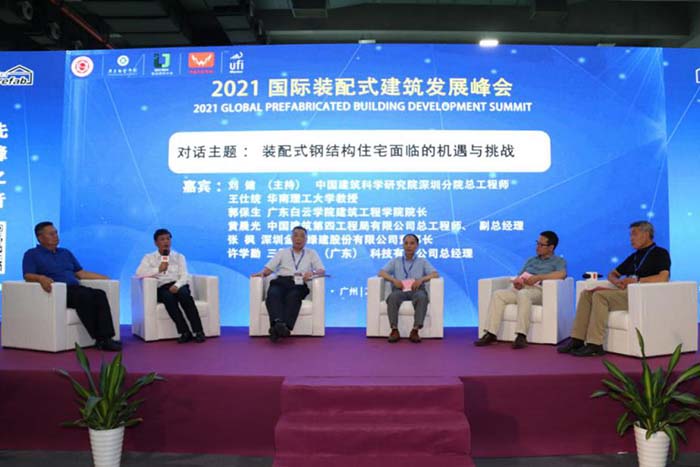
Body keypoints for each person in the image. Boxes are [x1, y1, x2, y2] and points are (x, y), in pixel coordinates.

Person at [558, 221, 671, 357]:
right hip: (626, 292)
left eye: (634, 234)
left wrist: (638, 280)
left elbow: (663, 277)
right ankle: (577, 339)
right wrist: (617, 282)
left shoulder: (660, 253)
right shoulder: (635, 256)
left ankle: (595, 345)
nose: (631, 238)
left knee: (599, 296)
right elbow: (612, 274)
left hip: (643, 295)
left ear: (646, 234)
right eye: (630, 235)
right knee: (587, 294)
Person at [22, 221, 121, 351]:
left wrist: (106, 278)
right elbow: (27, 275)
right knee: (84, 297)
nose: (56, 236)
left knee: (99, 294)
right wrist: (40, 278)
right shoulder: (31, 254)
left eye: (56, 233)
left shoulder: (65, 253)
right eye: (51, 234)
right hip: (57, 291)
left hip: (75, 289)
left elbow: (80, 273)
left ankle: (107, 338)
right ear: (40, 238)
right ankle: (101, 339)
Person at [475, 231, 567, 349]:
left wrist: (538, 277)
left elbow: (562, 274)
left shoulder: (558, 261)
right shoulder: (531, 260)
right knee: (498, 294)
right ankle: (491, 334)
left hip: (539, 291)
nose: (537, 247)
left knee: (524, 294)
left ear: (551, 247)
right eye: (537, 243)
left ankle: (521, 335)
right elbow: (520, 275)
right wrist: (518, 282)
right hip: (522, 288)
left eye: (541, 245)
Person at [251, 226, 325, 342]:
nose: (298, 238)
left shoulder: (311, 253)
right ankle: (281, 326)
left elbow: (321, 270)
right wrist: (261, 274)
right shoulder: (282, 252)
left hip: (299, 284)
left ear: (306, 239)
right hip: (281, 281)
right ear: (291, 238)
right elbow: (269, 268)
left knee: (293, 296)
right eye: (295, 235)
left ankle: (278, 327)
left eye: (302, 236)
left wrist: (312, 273)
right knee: (273, 294)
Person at [136, 228, 206, 343]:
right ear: (156, 243)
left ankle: (198, 331)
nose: (166, 242)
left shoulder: (179, 257)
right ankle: (184, 332)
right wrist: (158, 269)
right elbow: (139, 273)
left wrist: (177, 285)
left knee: (185, 296)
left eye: (168, 239)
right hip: (162, 287)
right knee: (168, 298)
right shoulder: (149, 258)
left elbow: (184, 275)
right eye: (162, 239)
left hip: (179, 284)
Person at [378, 234, 439, 344]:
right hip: (400, 290)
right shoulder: (396, 261)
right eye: (406, 243)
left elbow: (435, 274)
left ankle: (415, 330)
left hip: (416, 289)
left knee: (422, 297)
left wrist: (421, 279)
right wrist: (393, 280)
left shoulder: (422, 261)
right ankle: (394, 330)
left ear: (417, 246)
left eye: (412, 243)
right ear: (403, 245)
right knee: (392, 297)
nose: (408, 246)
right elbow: (381, 272)